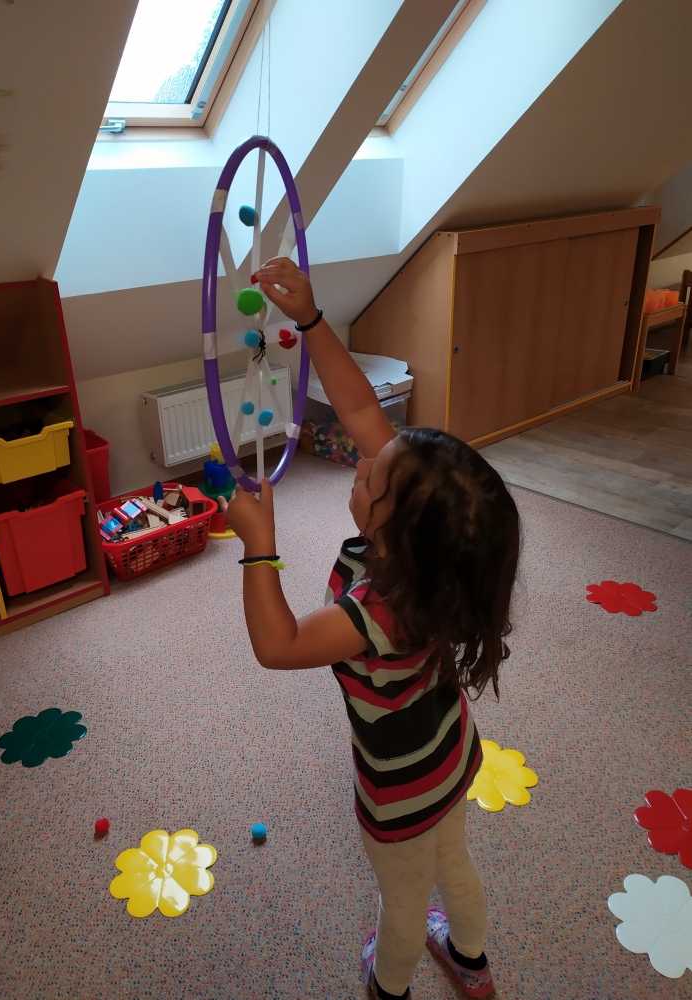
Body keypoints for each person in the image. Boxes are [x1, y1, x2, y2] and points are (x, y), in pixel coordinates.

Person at [221, 258, 521, 1000]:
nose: (360, 464)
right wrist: (312, 321)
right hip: (450, 755)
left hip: (400, 790)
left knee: (404, 902)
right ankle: (473, 962)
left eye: (368, 479)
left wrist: (260, 547)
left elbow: (279, 645)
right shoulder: (432, 566)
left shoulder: (374, 615)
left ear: (388, 531)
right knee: (454, 864)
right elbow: (359, 409)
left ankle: (389, 989)